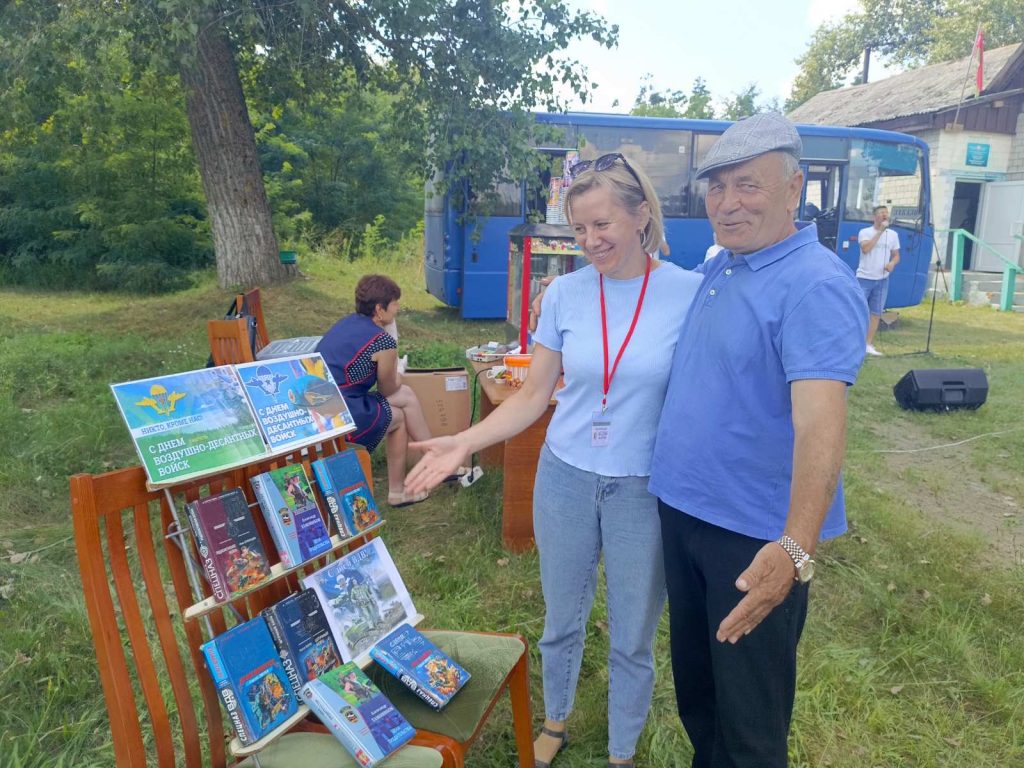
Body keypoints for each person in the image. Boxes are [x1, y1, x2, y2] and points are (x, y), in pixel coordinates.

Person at [405, 154, 702, 768]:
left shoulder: (688, 293)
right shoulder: (565, 293)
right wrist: (465, 441)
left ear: (641, 216)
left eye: (603, 225)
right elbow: (534, 395)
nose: (590, 241)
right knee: (561, 618)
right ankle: (556, 719)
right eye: (580, 229)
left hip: (643, 487)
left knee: (632, 635)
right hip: (565, 475)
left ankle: (621, 749)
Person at [649, 114, 868, 768]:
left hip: (751, 536)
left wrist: (795, 549)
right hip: (687, 513)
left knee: (749, 723)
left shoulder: (816, 283)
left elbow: (821, 426)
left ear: (794, 189)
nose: (727, 203)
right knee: (701, 697)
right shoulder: (727, 263)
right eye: (717, 188)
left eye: (748, 185)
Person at [317, 275, 431, 507]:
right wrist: (399, 370)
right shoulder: (382, 342)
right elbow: (388, 389)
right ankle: (400, 489)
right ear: (379, 309)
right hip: (339, 415)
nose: (398, 308)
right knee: (399, 417)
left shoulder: (347, 323)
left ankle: (434, 455)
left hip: (317, 405)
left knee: (406, 396)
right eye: (395, 303)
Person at [857, 205, 901, 356]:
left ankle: (868, 344)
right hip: (864, 278)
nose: (885, 215)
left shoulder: (893, 235)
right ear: (874, 217)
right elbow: (865, 249)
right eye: (881, 213)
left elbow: (896, 255)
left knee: (876, 312)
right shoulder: (865, 232)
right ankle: (854, 341)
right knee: (858, 310)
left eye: (886, 213)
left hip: (882, 280)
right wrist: (880, 231)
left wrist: (892, 264)